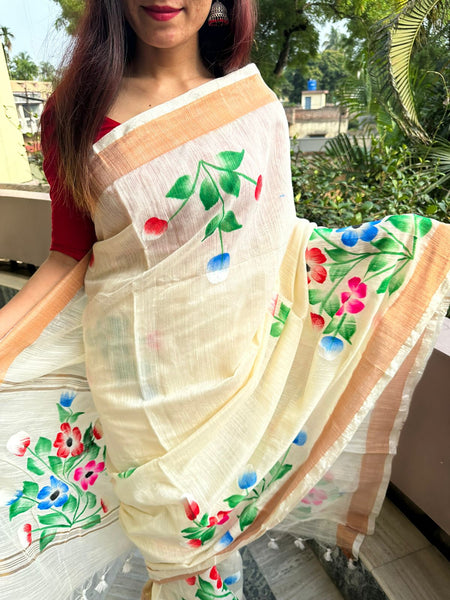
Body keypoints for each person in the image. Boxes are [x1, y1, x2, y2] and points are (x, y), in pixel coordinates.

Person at [1, 2, 449, 599]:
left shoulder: (249, 109)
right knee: (182, 554)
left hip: (230, 370)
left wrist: (396, 252)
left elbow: (279, 245)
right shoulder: (74, 111)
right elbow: (68, 256)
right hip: (136, 387)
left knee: (209, 554)